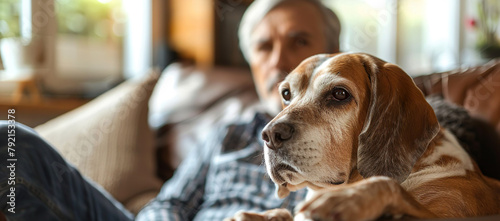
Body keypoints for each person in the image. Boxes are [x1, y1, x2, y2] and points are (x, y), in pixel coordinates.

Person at [0, 0, 341, 220]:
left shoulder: (352, 134)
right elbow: (168, 204)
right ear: (251, 61)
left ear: (333, 52)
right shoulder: (229, 134)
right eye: (264, 47)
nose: (278, 60)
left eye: (299, 41)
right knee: (11, 143)